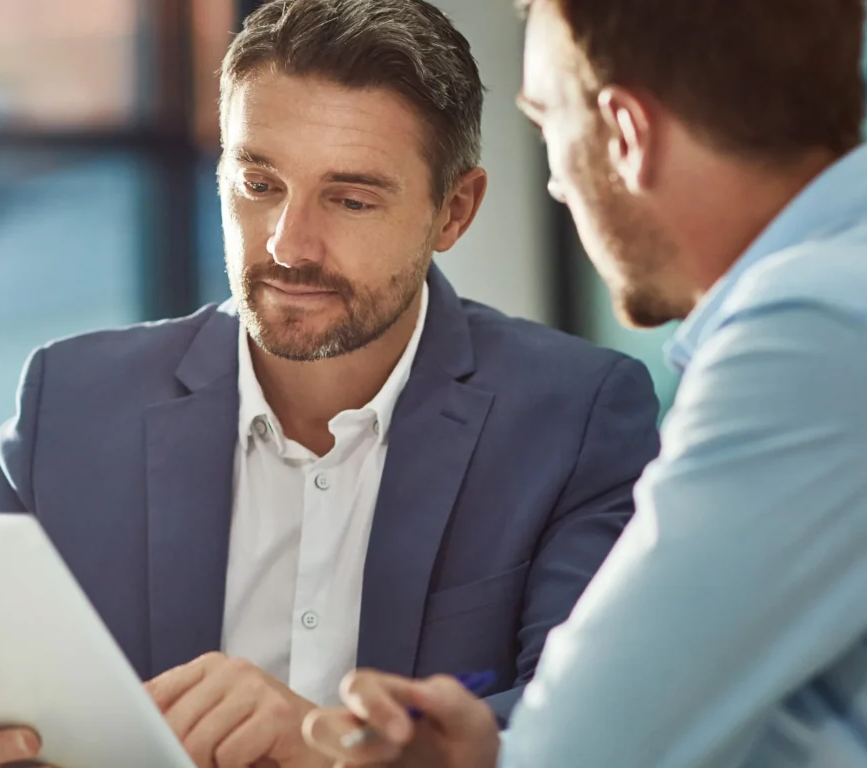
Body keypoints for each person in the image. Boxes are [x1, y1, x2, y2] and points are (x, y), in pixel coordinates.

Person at [0, 2, 661, 767]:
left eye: (350, 200)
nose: (289, 244)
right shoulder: (74, 400)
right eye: (258, 184)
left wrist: (325, 746)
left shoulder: (578, 416)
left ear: (454, 211)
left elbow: (601, 724)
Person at [301, 0, 867, 766]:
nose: (557, 186)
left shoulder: (808, 336)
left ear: (627, 134)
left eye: (546, 125)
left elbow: (586, 751)